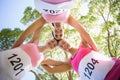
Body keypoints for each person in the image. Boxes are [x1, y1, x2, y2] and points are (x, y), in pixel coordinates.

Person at [12, 0, 98, 52]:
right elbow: (85, 34)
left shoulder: (45, 19)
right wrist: (97, 51)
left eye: (56, 35)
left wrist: (11, 51)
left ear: (52, 31)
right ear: (64, 30)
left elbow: (25, 34)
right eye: (61, 35)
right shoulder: (68, 19)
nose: (58, 33)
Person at [41, 36, 120, 80]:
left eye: (64, 42)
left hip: (116, 69)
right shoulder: (70, 63)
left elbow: (82, 30)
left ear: (68, 40)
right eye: (61, 46)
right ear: (62, 50)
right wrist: (38, 57)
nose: (64, 45)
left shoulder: (82, 45)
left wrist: (65, 21)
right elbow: (50, 69)